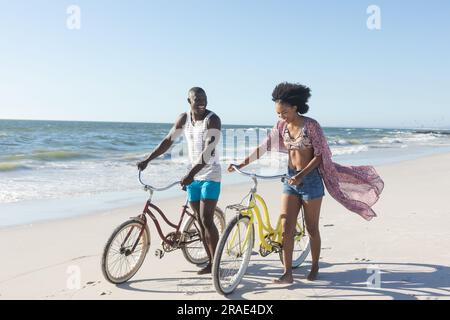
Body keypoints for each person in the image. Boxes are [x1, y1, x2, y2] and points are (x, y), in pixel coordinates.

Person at [229, 82, 384, 283]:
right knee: (286, 228)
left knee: (312, 229)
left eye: (284, 112)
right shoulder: (281, 126)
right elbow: (263, 147)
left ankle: (315, 266)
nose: (281, 116)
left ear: (295, 107)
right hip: (290, 179)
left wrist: (302, 175)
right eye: (278, 113)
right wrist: (240, 163)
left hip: (310, 181)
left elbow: (320, 156)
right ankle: (288, 273)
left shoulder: (311, 125)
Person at [138, 87, 222, 275]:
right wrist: (148, 159)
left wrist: (191, 174)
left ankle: (216, 263)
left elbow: (209, 151)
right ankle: (209, 261)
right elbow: (168, 140)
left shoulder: (213, 120)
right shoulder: (184, 119)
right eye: (197, 99)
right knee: (199, 221)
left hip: (210, 175)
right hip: (192, 175)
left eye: (204, 98)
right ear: (188, 101)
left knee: (207, 219)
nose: (201, 102)